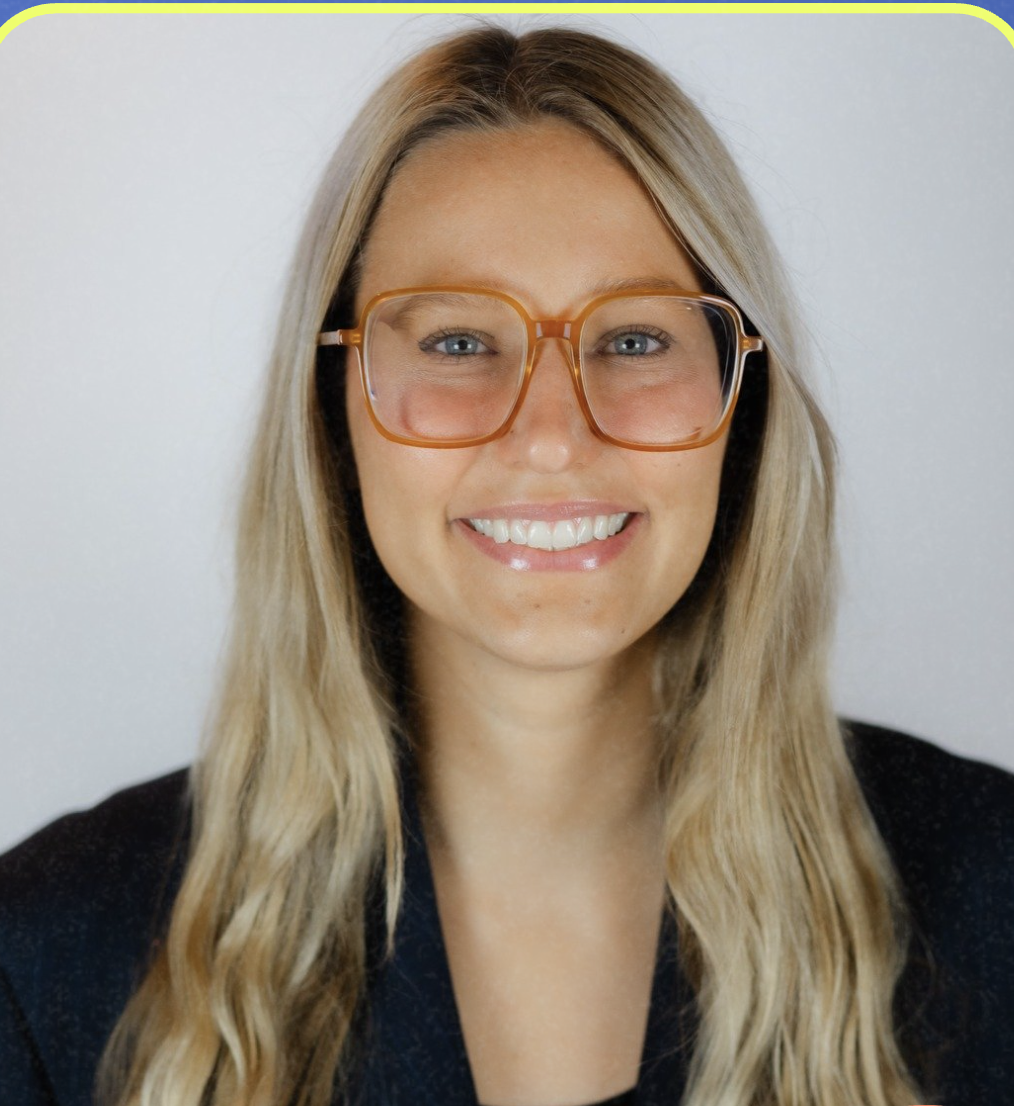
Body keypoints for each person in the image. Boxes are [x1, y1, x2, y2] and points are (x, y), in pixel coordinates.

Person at [1, 23, 1011, 1106]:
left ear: (740, 403)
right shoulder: (52, 948)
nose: (550, 434)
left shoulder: (989, 897)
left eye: (632, 339)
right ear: (331, 412)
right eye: (455, 341)